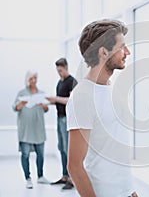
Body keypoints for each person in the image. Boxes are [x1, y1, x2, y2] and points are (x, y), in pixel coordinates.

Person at [66, 19, 138, 197]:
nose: (127, 52)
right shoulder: (82, 96)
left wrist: (131, 190)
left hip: (126, 192)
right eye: (122, 47)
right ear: (103, 52)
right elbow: (74, 165)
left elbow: (114, 148)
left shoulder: (110, 88)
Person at [12, 70, 50, 189]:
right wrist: (22, 103)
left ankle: (40, 176)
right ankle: (28, 178)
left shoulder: (41, 93)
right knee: (25, 154)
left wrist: (44, 106)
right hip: (26, 131)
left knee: (40, 154)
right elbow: (15, 108)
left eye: (35, 78)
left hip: (38, 129)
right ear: (27, 79)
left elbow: (46, 109)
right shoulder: (22, 93)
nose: (33, 80)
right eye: (31, 78)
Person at [46, 58, 77, 190]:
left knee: (68, 149)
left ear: (66, 67)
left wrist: (56, 98)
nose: (59, 73)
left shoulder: (72, 82)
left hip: (68, 120)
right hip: (59, 118)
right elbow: (59, 101)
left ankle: (72, 178)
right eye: (57, 71)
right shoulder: (59, 83)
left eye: (60, 70)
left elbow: (72, 100)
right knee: (61, 148)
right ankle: (64, 175)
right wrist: (48, 102)